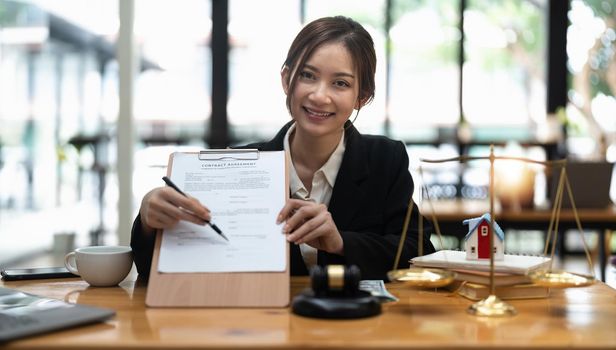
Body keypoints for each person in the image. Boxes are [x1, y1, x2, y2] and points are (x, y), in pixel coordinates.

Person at [131, 16, 434, 281]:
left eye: (340, 83)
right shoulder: (240, 163)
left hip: (354, 328)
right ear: (287, 79)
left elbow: (417, 253)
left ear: (362, 97)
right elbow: (155, 267)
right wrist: (147, 219)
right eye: (308, 75)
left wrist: (339, 241)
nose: (319, 95)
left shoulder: (384, 160)